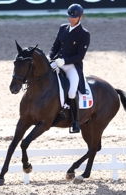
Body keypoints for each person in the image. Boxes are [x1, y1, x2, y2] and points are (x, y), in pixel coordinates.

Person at [47, 3, 90, 133]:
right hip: (58, 62)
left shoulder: (84, 34)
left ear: (80, 17)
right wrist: (49, 57)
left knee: (71, 92)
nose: (71, 19)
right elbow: (55, 46)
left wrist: (64, 61)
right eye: (69, 16)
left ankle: (75, 121)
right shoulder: (62, 28)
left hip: (72, 66)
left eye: (74, 17)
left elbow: (80, 56)